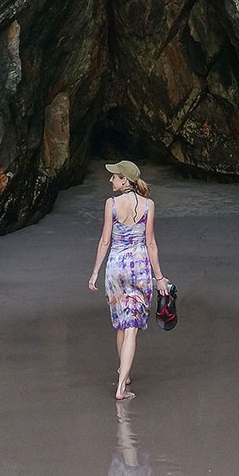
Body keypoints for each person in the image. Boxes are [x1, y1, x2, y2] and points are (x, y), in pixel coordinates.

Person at [88, 160, 170, 401]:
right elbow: (151, 243)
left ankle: (124, 372)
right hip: (139, 270)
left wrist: (95, 272)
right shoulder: (149, 205)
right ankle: (121, 387)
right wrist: (160, 278)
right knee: (132, 327)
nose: (110, 180)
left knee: (122, 324)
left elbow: (105, 241)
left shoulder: (111, 204)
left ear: (125, 180)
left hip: (115, 270)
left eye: (114, 176)